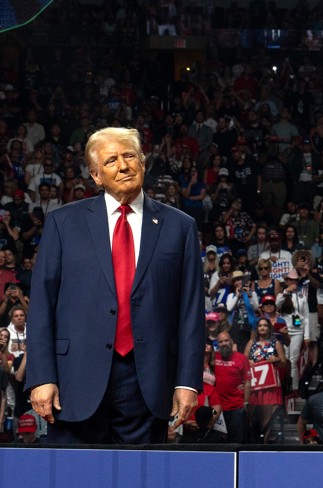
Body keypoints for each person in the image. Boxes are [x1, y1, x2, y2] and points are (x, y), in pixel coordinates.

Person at [26, 127, 204, 444]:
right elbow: (41, 305)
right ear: (96, 175)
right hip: (74, 381)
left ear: (143, 162)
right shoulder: (63, 222)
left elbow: (191, 311)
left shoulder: (180, 226)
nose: (123, 166)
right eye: (111, 160)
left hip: (149, 383)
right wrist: (41, 376)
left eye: (129, 156)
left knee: (141, 481)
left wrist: (188, 382)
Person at [243, 317, 287, 443]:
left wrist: (277, 359)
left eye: (265, 325)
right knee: (249, 414)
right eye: (260, 325)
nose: (262, 328)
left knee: (267, 417)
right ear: (257, 328)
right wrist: (248, 361)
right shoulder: (251, 343)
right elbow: (242, 361)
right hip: (253, 384)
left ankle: (264, 443)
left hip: (270, 384)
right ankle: (248, 440)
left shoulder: (276, 343)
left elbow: (284, 363)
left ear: (269, 328)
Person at [213, 331, 250, 444]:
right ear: (218, 344)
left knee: (237, 441)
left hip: (237, 406)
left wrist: (246, 402)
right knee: (218, 441)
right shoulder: (214, 357)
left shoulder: (242, 358)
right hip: (217, 407)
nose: (224, 343)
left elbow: (247, 382)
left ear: (231, 342)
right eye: (221, 341)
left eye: (226, 340)